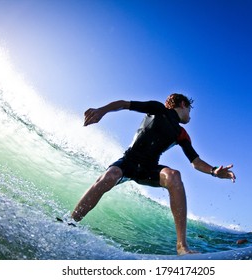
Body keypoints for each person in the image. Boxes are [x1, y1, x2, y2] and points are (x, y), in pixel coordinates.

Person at [71, 93, 236, 255]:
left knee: (174, 175)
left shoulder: (181, 133)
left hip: (149, 169)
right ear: (183, 105)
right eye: (190, 111)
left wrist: (214, 171)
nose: (190, 117)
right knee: (110, 175)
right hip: (128, 162)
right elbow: (124, 104)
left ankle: (182, 247)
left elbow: (196, 162)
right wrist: (102, 110)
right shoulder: (158, 109)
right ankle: (71, 221)